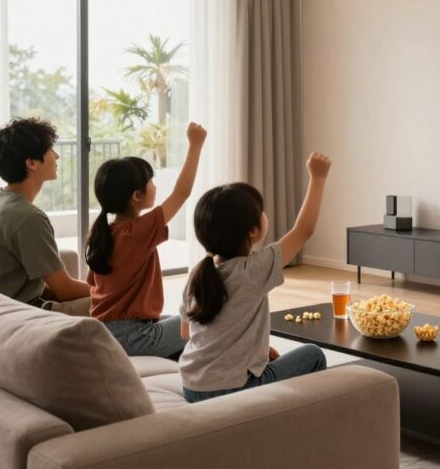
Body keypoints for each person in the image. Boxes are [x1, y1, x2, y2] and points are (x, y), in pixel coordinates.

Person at [179, 152, 332, 403]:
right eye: (262, 212)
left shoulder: (198, 275)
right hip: (234, 390)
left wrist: (252, 350)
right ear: (252, 231)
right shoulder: (253, 270)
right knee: (313, 355)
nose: (265, 215)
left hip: (192, 387)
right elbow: (303, 230)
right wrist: (318, 177)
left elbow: (187, 333)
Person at [85, 123, 207, 359]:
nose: (155, 186)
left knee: (180, 321)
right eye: (151, 182)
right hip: (134, 337)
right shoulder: (137, 232)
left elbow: (94, 285)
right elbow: (181, 193)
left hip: (104, 333)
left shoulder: (102, 233)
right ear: (137, 196)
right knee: (201, 318)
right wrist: (195, 145)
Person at [0, 118, 90, 315]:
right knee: (121, 303)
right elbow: (65, 289)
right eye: (50, 151)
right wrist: (114, 293)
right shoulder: (28, 218)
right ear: (32, 163)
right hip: (19, 316)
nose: (57, 156)